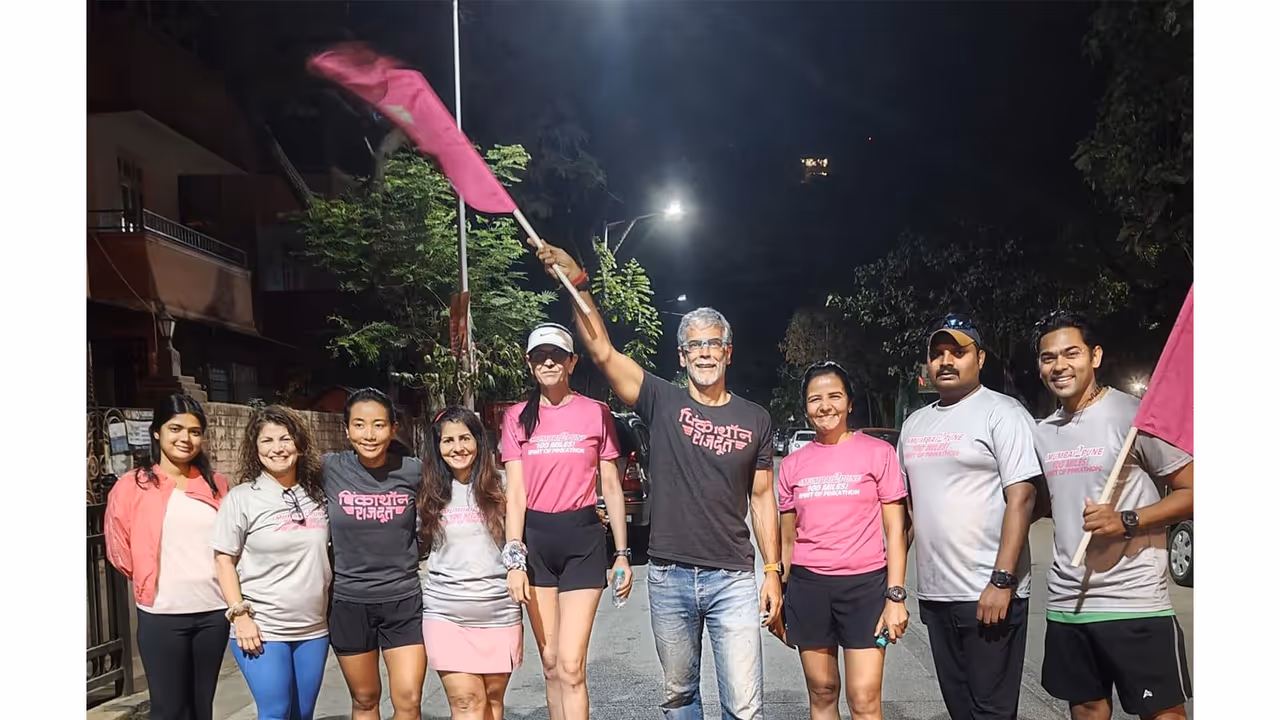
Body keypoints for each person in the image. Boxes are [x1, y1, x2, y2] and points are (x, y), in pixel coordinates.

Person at [530, 240, 781, 720]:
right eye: (694, 346)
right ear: (681, 355)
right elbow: (601, 350)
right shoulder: (660, 401)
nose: (704, 354)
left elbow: (763, 498)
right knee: (680, 697)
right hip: (668, 575)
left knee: (745, 706)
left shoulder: (756, 418)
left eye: (713, 344)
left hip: (732, 577)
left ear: (728, 352)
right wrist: (577, 283)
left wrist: (771, 571)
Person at [1032, 312, 1193, 720]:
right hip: (1068, 602)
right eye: (1048, 358)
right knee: (1086, 710)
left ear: (1095, 356)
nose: (1060, 366)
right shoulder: (1043, 431)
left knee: (1163, 714)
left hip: (1135, 602)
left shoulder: (1135, 418)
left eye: (1072, 353)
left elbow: (1196, 490)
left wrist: (1128, 520)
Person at [898, 314, 1042, 720]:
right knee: (961, 709)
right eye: (937, 353)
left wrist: (1002, 580)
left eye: (957, 352)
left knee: (991, 712)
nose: (946, 361)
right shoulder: (914, 425)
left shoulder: (1003, 413)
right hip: (936, 595)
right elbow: (907, 511)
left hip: (990, 594)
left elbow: (1023, 498)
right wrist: (887, 582)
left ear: (979, 358)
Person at [500, 323, 632, 720]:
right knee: (552, 662)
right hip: (536, 542)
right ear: (529, 363)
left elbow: (610, 482)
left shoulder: (596, 413)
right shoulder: (516, 418)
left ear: (572, 362)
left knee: (572, 666)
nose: (549, 362)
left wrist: (622, 554)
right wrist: (514, 561)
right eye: (540, 355)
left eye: (557, 355)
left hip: (583, 540)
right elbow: (516, 494)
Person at [772, 362, 909, 720]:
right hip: (808, 588)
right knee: (822, 692)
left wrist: (896, 595)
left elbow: (896, 530)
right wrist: (780, 588)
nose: (825, 406)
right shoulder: (792, 465)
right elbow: (787, 536)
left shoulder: (878, 453)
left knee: (864, 699)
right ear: (805, 408)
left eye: (835, 396)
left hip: (866, 588)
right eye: (815, 399)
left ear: (849, 403)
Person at [104, 393, 231, 720]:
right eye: (175, 429)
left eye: (194, 431)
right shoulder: (132, 486)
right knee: (168, 709)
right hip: (161, 614)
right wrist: (148, 578)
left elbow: (232, 544)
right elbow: (118, 548)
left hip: (213, 612)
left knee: (201, 708)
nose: (185, 439)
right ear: (157, 432)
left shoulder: (216, 484)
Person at [211, 405, 332, 720]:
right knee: (276, 712)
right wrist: (240, 615)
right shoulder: (241, 498)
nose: (277, 448)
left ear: (300, 445)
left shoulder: (317, 495)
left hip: (313, 628)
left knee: (303, 714)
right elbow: (224, 560)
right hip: (263, 627)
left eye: (285, 439)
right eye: (267, 441)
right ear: (255, 447)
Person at [325, 388, 426, 720]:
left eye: (378, 425)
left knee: (409, 700)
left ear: (393, 428)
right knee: (366, 699)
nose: (369, 435)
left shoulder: (413, 471)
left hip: (403, 601)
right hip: (349, 603)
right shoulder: (329, 469)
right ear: (346, 429)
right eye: (359, 425)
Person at [418, 406, 524, 720]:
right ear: (437, 447)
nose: (458, 448)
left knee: (492, 704)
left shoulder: (503, 487)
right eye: (448, 441)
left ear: (479, 441)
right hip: (445, 613)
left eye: (465, 438)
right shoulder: (427, 490)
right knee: (466, 703)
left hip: (499, 613)